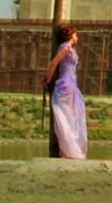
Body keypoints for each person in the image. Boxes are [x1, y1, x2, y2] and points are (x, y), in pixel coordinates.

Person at [41, 23, 88, 160]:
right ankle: (65, 148)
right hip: (66, 83)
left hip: (72, 83)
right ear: (71, 35)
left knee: (72, 115)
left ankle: (69, 147)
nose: (77, 36)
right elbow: (54, 63)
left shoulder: (70, 49)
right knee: (65, 114)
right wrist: (48, 79)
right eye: (75, 33)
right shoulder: (65, 47)